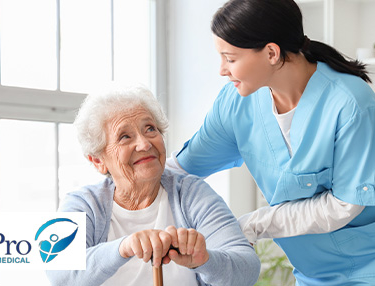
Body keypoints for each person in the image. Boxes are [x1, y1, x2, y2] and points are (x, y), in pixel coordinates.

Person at [168, 0, 375, 284]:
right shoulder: (236, 104)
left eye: (231, 59)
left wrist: (252, 225)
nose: (222, 70)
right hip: (315, 268)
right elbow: (182, 168)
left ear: (271, 53)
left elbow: (343, 206)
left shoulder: (351, 104)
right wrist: (120, 171)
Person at [46, 83, 260, 286]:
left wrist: (204, 260)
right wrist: (124, 247)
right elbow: (59, 272)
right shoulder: (83, 203)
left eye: (150, 128)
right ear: (98, 161)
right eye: (125, 137)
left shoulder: (192, 193)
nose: (145, 143)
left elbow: (247, 270)